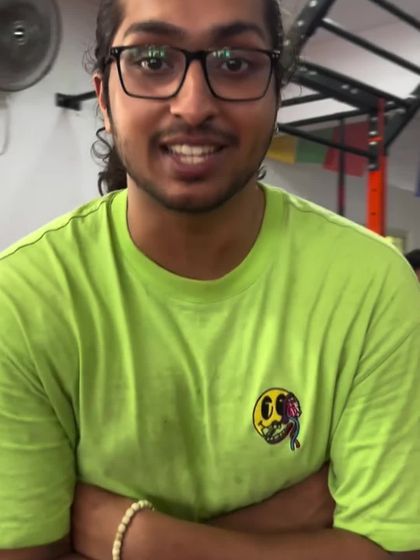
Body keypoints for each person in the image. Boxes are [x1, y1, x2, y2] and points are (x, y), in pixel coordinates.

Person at [0, 0, 419, 559]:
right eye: (152, 60)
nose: (194, 105)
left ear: (276, 95)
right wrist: (295, 519)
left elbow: (389, 552)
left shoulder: (372, 286)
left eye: (236, 63)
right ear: (104, 97)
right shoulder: (23, 300)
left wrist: (133, 536)